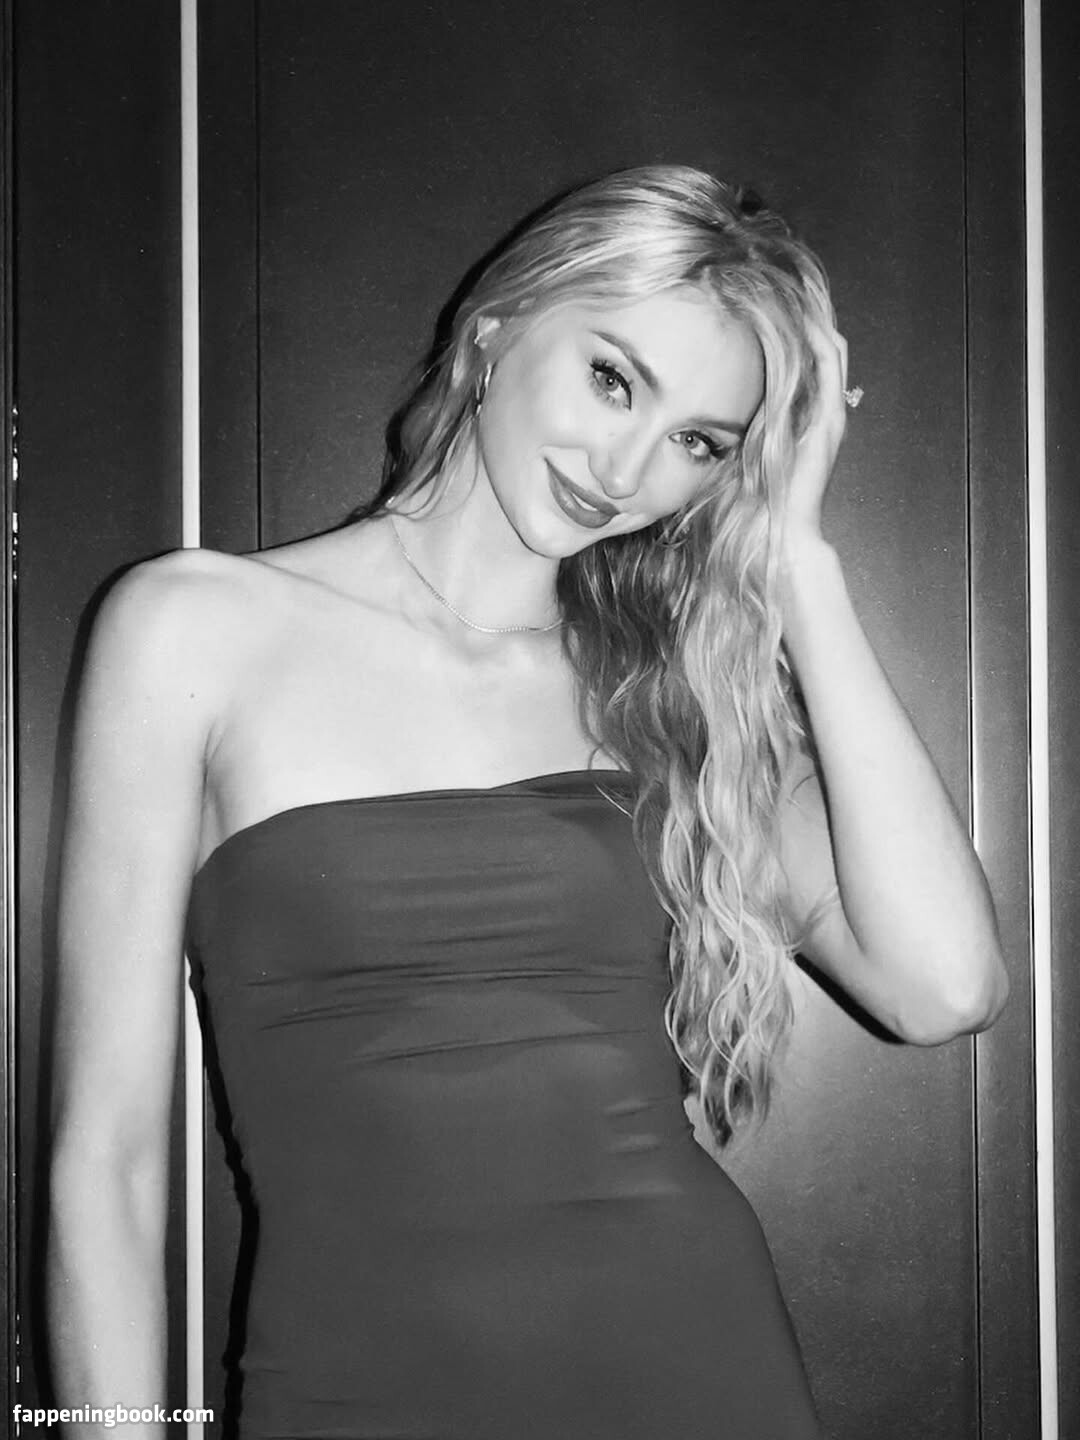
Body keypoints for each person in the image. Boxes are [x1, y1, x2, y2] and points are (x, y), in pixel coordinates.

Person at [47, 165, 1008, 1439]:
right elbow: (105, 1162)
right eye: (614, 379)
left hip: (693, 1372)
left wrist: (800, 561)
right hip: (348, 1389)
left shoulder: (676, 699)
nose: (628, 467)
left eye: (700, 442)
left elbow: (944, 987)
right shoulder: (193, 627)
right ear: (498, 327)